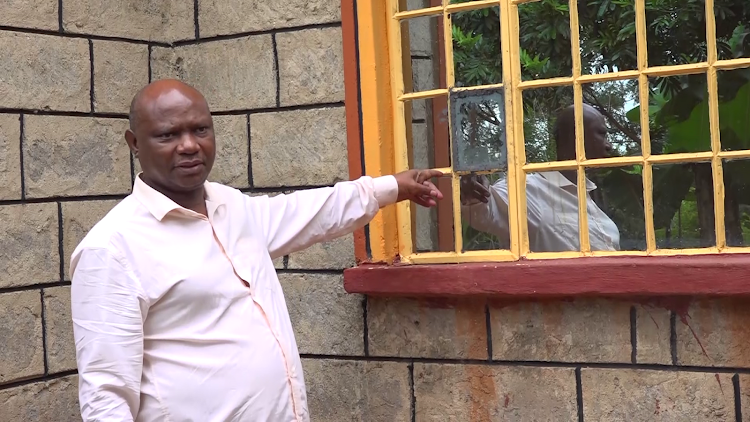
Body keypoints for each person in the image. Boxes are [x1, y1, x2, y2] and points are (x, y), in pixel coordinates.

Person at [69, 79, 443, 421]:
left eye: (200, 129)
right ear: (134, 143)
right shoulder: (112, 249)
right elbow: (106, 395)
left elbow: (310, 211)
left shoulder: (231, 208)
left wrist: (394, 187)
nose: (189, 145)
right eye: (168, 134)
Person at [460, 103, 620, 252]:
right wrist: (474, 190)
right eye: (601, 134)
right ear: (575, 136)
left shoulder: (589, 199)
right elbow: (483, 212)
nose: (608, 146)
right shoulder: (528, 190)